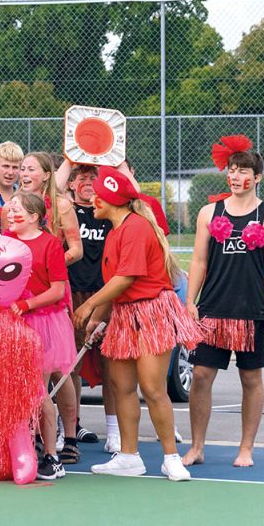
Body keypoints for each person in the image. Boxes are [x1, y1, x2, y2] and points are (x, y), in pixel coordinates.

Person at [73, 168, 205, 481]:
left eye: (98, 198)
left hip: (151, 313)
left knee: (152, 388)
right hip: (123, 316)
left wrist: (89, 304)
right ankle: (129, 456)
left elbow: (126, 278)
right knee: (121, 387)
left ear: (113, 201)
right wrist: (96, 320)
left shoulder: (135, 228)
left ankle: (171, 457)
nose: (93, 203)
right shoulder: (115, 231)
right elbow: (114, 286)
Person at [183, 138, 264, 468]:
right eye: (232, 170)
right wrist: (190, 301)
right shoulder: (207, 212)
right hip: (212, 309)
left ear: (257, 177)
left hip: (251, 312)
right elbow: (199, 260)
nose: (236, 176)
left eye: (243, 171)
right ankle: (197, 446)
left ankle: (246, 449)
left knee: (251, 379)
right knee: (200, 375)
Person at [3, 192, 76, 481]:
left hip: (43, 322)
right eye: (10, 210)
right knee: (17, 390)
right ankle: (20, 450)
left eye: (16, 210)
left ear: (34, 216)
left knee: (37, 390)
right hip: (12, 323)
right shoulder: (5, 242)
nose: (10, 215)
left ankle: (51, 456)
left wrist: (27, 304)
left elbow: (58, 289)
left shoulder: (50, 244)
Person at [20, 150, 82, 458]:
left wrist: (48, 260)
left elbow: (76, 249)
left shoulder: (61, 205)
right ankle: (32, 435)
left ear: (47, 175)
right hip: (22, 295)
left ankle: (69, 438)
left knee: (58, 369)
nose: (24, 173)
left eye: (31, 168)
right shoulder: (15, 207)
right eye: (22, 168)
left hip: (52, 292)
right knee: (30, 370)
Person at [58, 162, 110, 449]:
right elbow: (52, 187)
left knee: (112, 364)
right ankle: (73, 424)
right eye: (82, 177)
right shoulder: (65, 210)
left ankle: (115, 431)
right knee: (72, 364)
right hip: (74, 295)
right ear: (70, 182)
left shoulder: (108, 211)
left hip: (105, 294)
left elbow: (134, 193)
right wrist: (70, 160)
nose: (88, 181)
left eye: (94, 177)